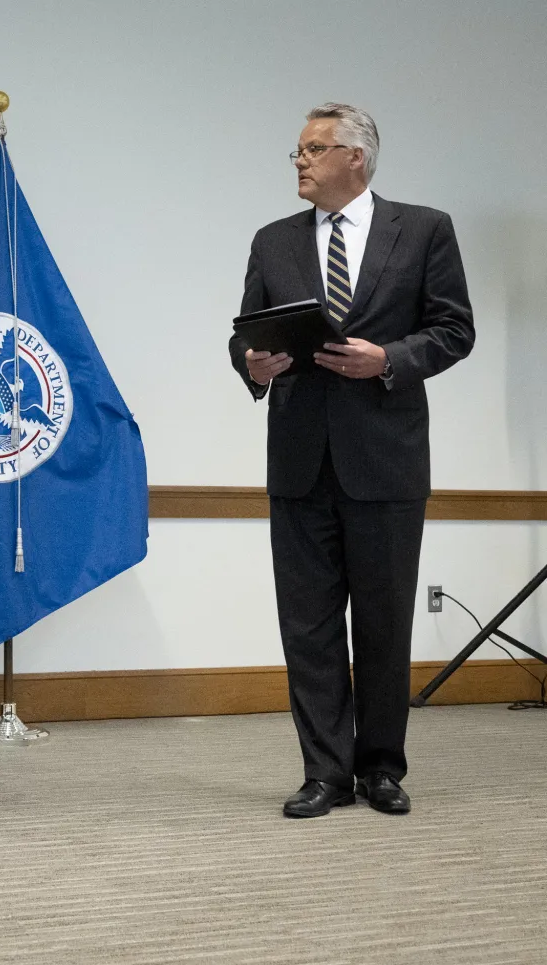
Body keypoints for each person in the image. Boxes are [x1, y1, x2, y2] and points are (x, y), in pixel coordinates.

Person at [228, 104, 475, 818]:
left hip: (387, 460)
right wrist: (255, 363)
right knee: (306, 625)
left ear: (355, 159)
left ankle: (380, 767)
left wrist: (388, 359)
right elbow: (242, 334)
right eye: (298, 151)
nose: (299, 161)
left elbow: (454, 328)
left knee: (383, 620)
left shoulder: (425, 229)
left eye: (313, 149)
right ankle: (325, 772)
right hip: (300, 460)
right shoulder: (272, 241)